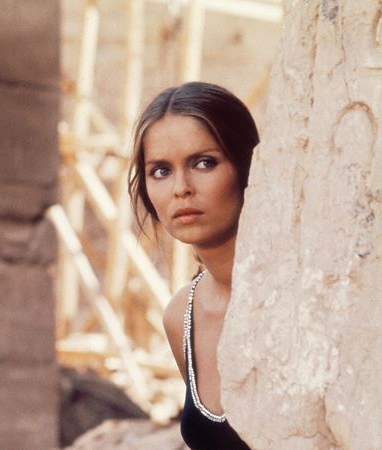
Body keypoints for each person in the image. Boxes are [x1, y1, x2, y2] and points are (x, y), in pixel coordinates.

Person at [128, 81, 258, 449]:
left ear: (247, 167)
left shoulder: (303, 297)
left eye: (204, 163)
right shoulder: (181, 315)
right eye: (161, 171)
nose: (180, 188)